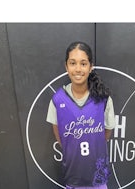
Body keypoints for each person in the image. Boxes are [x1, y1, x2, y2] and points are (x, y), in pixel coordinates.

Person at [46, 41, 115, 189]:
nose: (78, 69)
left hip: (97, 176)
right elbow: (58, 132)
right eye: (73, 63)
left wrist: (95, 143)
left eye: (83, 64)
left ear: (91, 67)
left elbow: (107, 132)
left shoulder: (103, 98)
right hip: (73, 175)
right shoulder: (57, 100)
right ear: (66, 66)